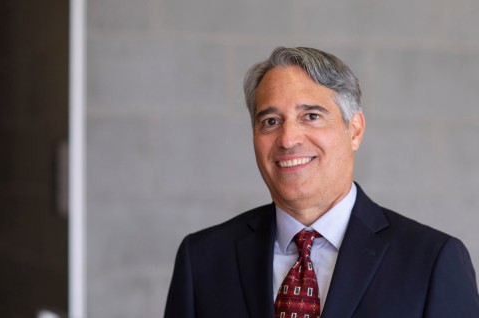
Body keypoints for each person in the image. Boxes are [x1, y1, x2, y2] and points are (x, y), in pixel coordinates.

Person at [164, 47, 479, 317]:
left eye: (311, 116)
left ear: (354, 130)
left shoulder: (432, 260)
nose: (288, 139)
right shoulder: (202, 259)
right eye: (270, 121)